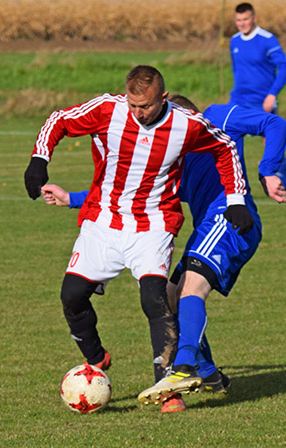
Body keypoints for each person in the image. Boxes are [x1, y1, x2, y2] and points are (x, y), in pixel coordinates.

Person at [23, 66, 254, 412]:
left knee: (154, 299)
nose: (138, 113)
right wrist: (39, 159)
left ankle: (169, 388)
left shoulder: (186, 124)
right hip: (103, 220)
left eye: (145, 106)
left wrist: (236, 198)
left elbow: (225, 148)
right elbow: (59, 119)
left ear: (163, 98)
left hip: (153, 224)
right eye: (133, 105)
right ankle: (97, 358)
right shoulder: (108, 110)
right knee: (71, 296)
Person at [229, 2, 286, 114]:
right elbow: (236, 68)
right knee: (224, 131)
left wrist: (272, 94)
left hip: (262, 101)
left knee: (273, 131)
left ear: (254, 18)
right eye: (239, 20)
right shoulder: (234, 40)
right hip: (238, 100)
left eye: (245, 19)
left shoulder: (267, 39)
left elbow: (284, 68)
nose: (242, 24)